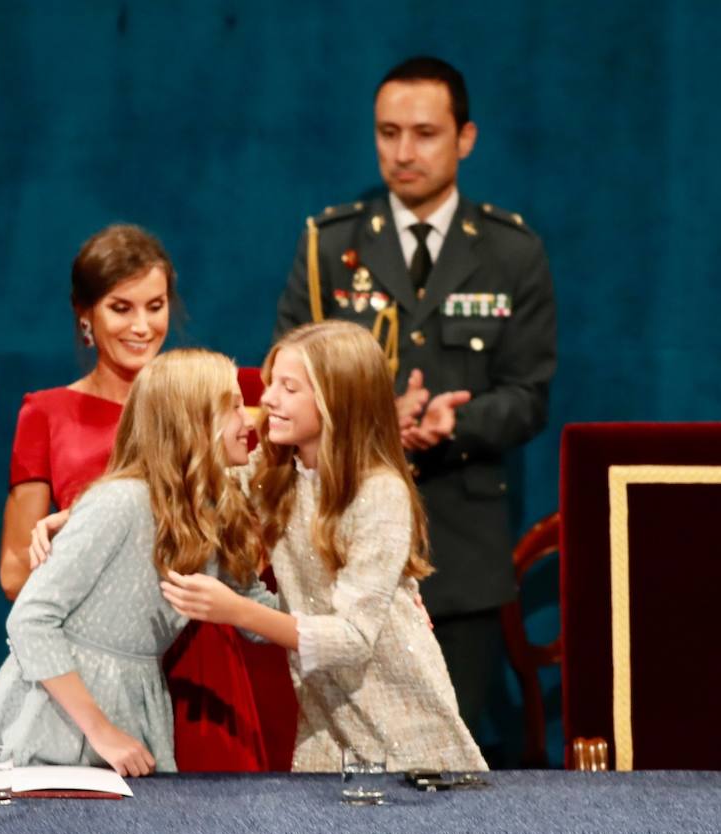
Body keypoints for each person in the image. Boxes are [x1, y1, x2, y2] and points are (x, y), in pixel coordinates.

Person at [272, 56, 556, 751]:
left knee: (442, 761)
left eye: (425, 133)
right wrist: (369, 421)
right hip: (336, 545)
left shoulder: (510, 252)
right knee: (336, 765)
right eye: (388, 132)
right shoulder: (330, 244)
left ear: (465, 138)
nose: (403, 152)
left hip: (458, 543)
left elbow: (529, 396)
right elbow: (282, 375)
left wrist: (454, 422)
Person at [0, 224, 297, 771]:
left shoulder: (205, 396)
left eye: (155, 306)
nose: (142, 326)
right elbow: (24, 584)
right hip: (96, 669)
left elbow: (249, 568)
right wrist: (86, 533)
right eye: (121, 308)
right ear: (85, 314)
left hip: (202, 650)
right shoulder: (51, 417)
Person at [162, 322, 486, 773]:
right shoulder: (275, 472)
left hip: (401, 717)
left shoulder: (379, 492)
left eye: (289, 387)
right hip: (325, 723)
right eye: (272, 382)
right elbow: (197, 489)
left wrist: (236, 610)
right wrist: (75, 515)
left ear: (338, 402)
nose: (269, 397)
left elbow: (352, 637)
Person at [0, 350, 264, 777]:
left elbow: (260, 616)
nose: (248, 420)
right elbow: (30, 620)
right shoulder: (119, 501)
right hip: (56, 724)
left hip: (138, 708)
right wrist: (102, 731)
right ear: (193, 420)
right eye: (232, 406)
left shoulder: (214, 512)